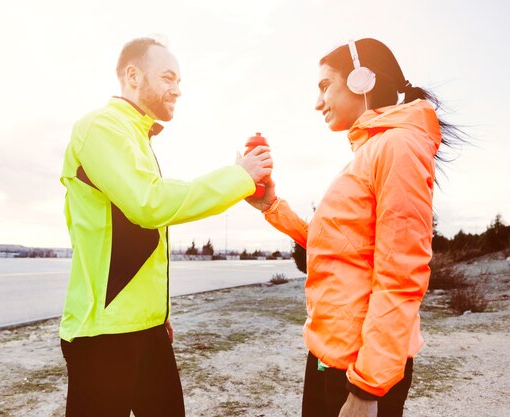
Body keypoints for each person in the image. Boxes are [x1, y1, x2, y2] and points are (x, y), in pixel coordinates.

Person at [246, 38, 465, 417]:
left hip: (359, 364)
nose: (318, 102)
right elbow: (340, 243)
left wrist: (367, 388)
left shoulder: (398, 147)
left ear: (362, 79)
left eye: (325, 86)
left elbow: (401, 275)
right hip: (330, 350)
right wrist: (273, 208)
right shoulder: (372, 150)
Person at [59, 37, 272, 417]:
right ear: (133, 76)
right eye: (169, 77)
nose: (178, 89)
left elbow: (138, 237)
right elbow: (149, 204)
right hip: (104, 334)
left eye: (179, 80)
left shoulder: (134, 135)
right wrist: (239, 177)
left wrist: (160, 313)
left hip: (147, 328)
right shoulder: (100, 126)